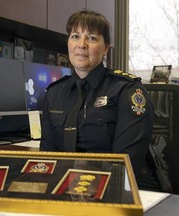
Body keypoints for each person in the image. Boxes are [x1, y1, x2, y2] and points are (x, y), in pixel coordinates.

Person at [40, 10, 161, 191]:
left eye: (92, 38)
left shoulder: (127, 91)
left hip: (120, 190)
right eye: (75, 36)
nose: (82, 45)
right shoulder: (54, 93)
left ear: (106, 48)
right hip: (66, 191)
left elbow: (124, 165)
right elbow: (47, 158)